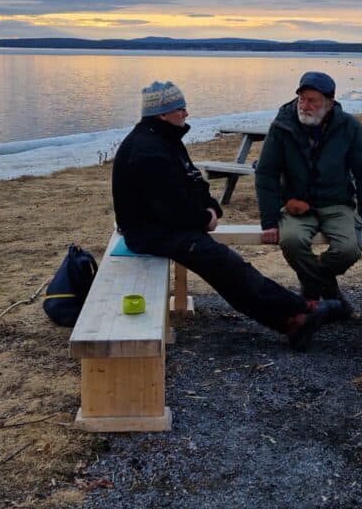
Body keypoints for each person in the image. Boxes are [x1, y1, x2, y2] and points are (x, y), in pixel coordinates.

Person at [112, 80, 341, 350]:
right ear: (163, 114)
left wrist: (211, 208)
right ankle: (299, 311)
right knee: (225, 264)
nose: (186, 114)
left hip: (168, 226)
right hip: (148, 233)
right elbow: (170, 207)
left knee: (227, 267)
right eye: (181, 109)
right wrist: (204, 218)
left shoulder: (164, 139)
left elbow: (194, 181)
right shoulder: (146, 150)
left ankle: (292, 320)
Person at [255, 72, 362, 319]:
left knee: (349, 249)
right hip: (296, 206)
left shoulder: (349, 126)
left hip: (337, 204)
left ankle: (312, 288)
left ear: (329, 102)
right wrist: (269, 222)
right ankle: (331, 293)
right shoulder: (282, 125)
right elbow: (266, 174)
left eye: (312, 100)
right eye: (302, 99)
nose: (305, 106)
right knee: (291, 241)